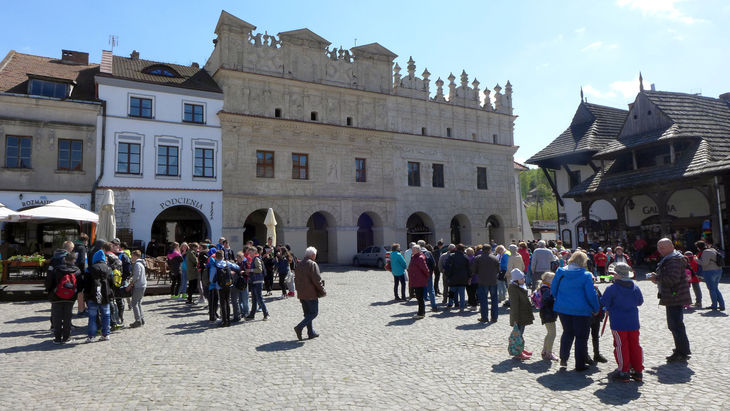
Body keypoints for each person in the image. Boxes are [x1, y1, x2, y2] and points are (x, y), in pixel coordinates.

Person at [552, 250, 600, 371]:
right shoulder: (586, 275)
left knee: (567, 333)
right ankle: (580, 364)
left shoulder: (560, 272)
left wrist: (561, 299)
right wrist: (596, 308)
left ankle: (563, 358)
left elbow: (553, 289)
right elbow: (591, 294)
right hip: (581, 310)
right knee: (581, 337)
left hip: (563, 309)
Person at [600, 262, 644, 382]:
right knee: (635, 345)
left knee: (621, 346)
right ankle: (637, 370)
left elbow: (604, 302)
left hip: (618, 322)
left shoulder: (612, 288)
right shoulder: (635, 287)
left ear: (618, 275)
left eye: (614, 274)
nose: (613, 275)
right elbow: (640, 301)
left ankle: (624, 371)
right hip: (633, 321)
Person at [649, 238, 691, 362]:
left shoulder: (673, 260)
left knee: (676, 325)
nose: (660, 250)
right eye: (658, 247)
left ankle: (682, 352)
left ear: (671, 247)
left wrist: (657, 278)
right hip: (673, 296)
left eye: (662, 247)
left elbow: (672, 279)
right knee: (675, 325)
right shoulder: (671, 258)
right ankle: (681, 349)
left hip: (675, 297)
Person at [45, 252, 79, 344]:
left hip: (56, 296)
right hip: (71, 297)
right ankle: (66, 338)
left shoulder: (56, 269)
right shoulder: (77, 271)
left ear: (64, 260)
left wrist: (50, 291)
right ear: (73, 260)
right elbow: (80, 284)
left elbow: (48, 282)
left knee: (57, 317)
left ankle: (57, 338)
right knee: (68, 317)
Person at [294, 246, 326, 340]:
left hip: (302, 294)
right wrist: (322, 291)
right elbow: (317, 280)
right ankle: (299, 327)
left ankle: (310, 332)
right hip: (311, 294)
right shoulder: (312, 264)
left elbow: (296, 279)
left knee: (307, 314)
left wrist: (298, 290)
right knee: (314, 313)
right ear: (313, 255)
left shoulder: (299, 264)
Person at [85, 249, 114, 342]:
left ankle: (92, 336)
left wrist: (86, 293)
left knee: (92, 316)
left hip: (92, 295)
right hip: (105, 295)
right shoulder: (109, 269)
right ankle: (106, 334)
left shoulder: (90, 269)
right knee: (106, 315)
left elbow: (86, 283)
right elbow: (112, 283)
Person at [508, 268, 534, 360]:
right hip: (518, 316)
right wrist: (515, 319)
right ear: (516, 280)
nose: (524, 280)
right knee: (518, 334)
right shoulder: (514, 289)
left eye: (523, 278)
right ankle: (518, 352)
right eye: (522, 279)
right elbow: (514, 305)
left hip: (523, 314)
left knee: (521, 334)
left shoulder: (520, 286)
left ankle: (521, 349)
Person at [472, 245, 500, 323]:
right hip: (493, 281)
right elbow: (498, 270)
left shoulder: (478, 258)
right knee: (494, 299)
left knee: (483, 300)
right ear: (490, 250)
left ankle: (484, 317)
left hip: (482, 281)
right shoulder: (494, 258)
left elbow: (474, 270)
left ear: (482, 250)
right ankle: (494, 317)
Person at [695, 240, 725, 311]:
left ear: (699, 247)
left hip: (710, 271)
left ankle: (714, 305)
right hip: (719, 270)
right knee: (715, 288)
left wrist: (695, 259)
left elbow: (704, 263)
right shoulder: (712, 250)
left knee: (712, 289)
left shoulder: (705, 252)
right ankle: (721, 305)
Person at [246, 246, 270, 321]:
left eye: (251, 252)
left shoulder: (256, 259)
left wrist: (250, 270)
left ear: (254, 252)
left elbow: (259, 269)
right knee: (254, 299)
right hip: (254, 281)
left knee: (259, 298)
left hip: (258, 281)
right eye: (249, 252)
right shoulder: (253, 259)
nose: (249, 253)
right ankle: (252, 315)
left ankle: (266, 314)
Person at [538, 272, 559, 361]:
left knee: (549, 333)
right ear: (547, 280)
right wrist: (554, 299)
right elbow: (546, 300)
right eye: (553, 279)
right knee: (552, 334)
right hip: (548, 313)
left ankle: (544, 350)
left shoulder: (544, 287)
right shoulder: (546, 289)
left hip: (546, 313)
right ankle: (548, 353)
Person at [444, 244, 470, 311]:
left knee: (452, 292)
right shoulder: (465, 257)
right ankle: (462, 307)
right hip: (463, 277)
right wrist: (469, 277)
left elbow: (447, 266)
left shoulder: (451, 256)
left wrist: (448, 275)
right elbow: (469, 268)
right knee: (462, 293)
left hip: (453, 277)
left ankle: (450, 304)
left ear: (456, 249)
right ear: (463, 249)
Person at [407, 245, 430, 319]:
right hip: (416, 280)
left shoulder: (419, 258)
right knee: (419, 297)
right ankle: (421, 312)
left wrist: (426, 276)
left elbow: (425, 269)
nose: (412, 251)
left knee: (420, 298)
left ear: (417, 250)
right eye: (412, 250)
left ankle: (421, 313)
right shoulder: (415, 257)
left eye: (413, 250)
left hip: (419, 280)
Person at [127, 250, 147, 328]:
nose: (131, 257)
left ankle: (138, 320)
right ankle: (141, 319)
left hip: (139, 285)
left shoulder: (137, 264)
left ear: (136, 256)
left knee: (134, 303)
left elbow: (136, 276)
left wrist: (130, 284)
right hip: (143, 285)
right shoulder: (141, 263)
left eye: (132, 256)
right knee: (138, 302)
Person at [73, 233, 89, 317]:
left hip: (74, 270)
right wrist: (83, 272)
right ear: (85, 241)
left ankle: (81, 309)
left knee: (79, 291)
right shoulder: (82, 248)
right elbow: (82, 261)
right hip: (81, 272)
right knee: (81, 291)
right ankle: (81, 310)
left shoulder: (74, 246)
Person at [232, 251, 250, 321]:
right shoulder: (235, 264)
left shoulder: (245, 264)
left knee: (245, 298)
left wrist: (244, 272)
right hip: (237, 283)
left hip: (244, 282)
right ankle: (241, 312)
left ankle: (246, 312)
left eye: (239, 257)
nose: (238, 259)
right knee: (239, 299)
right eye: (237, 257)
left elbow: (248, 272)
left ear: (242, 258)